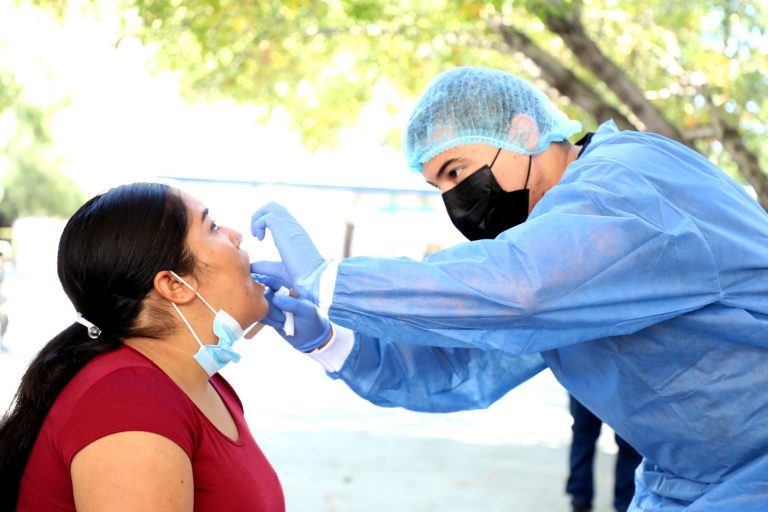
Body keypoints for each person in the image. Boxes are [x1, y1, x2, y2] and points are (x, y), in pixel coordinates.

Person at [249, 66, 768, 511]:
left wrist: (333, 282)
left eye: (457, 170)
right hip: (692, 481)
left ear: (522, 131)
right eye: (439, 188)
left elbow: (518, 288)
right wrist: (334, 343)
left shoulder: (627, 184)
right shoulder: (558, 249)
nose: (456, 202)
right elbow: (461, 365)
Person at [0, 182, 286, 511]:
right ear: (174, 285)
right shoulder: (130, 400)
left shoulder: (197, 385)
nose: (236, 235)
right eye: (213, 227)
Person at [566, 395, 641, 512]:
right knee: (583, 437)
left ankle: (626, 503)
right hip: (585, 382)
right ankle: (580, 501)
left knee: (629, 441)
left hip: (617, 383)